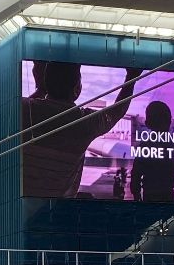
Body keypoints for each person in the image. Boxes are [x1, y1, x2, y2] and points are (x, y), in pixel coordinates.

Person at [21, 61, 141, 198]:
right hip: (58, 210)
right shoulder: (84, 122)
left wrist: (42, 89)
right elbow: (116, 112)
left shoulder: (24, 109)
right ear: (77, 90)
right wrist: (131, 78)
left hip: (21, 206)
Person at [129, 101, 174, 203]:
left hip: (150, 196)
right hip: (166, 195)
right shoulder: (170, 144)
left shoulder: (145, 146)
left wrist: (136, 195)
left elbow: (136, 174)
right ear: (168, 122)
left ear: (148, 123)